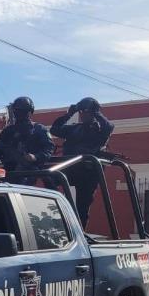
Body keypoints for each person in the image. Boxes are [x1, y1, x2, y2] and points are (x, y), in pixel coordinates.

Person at [50, 97, 115, 228]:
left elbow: (109, 126)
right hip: (71, 168)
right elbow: (54, 129)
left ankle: (81, 233)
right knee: (49, 178)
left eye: (87, 112)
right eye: (82, 112)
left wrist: (95, 111)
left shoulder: (101, 130)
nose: (83, 115)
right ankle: (60, 206)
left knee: (82, 207)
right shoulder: (74, 129)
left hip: (88, 173)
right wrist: (69, 113)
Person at [0, 96, 54, 184]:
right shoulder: (8, 131)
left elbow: (48, 149)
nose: (20, 114)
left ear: (30, 112)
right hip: (8, 171)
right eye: (18, 111)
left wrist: (35, 157)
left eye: (24, 111)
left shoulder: (39, 129)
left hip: (28, 172)